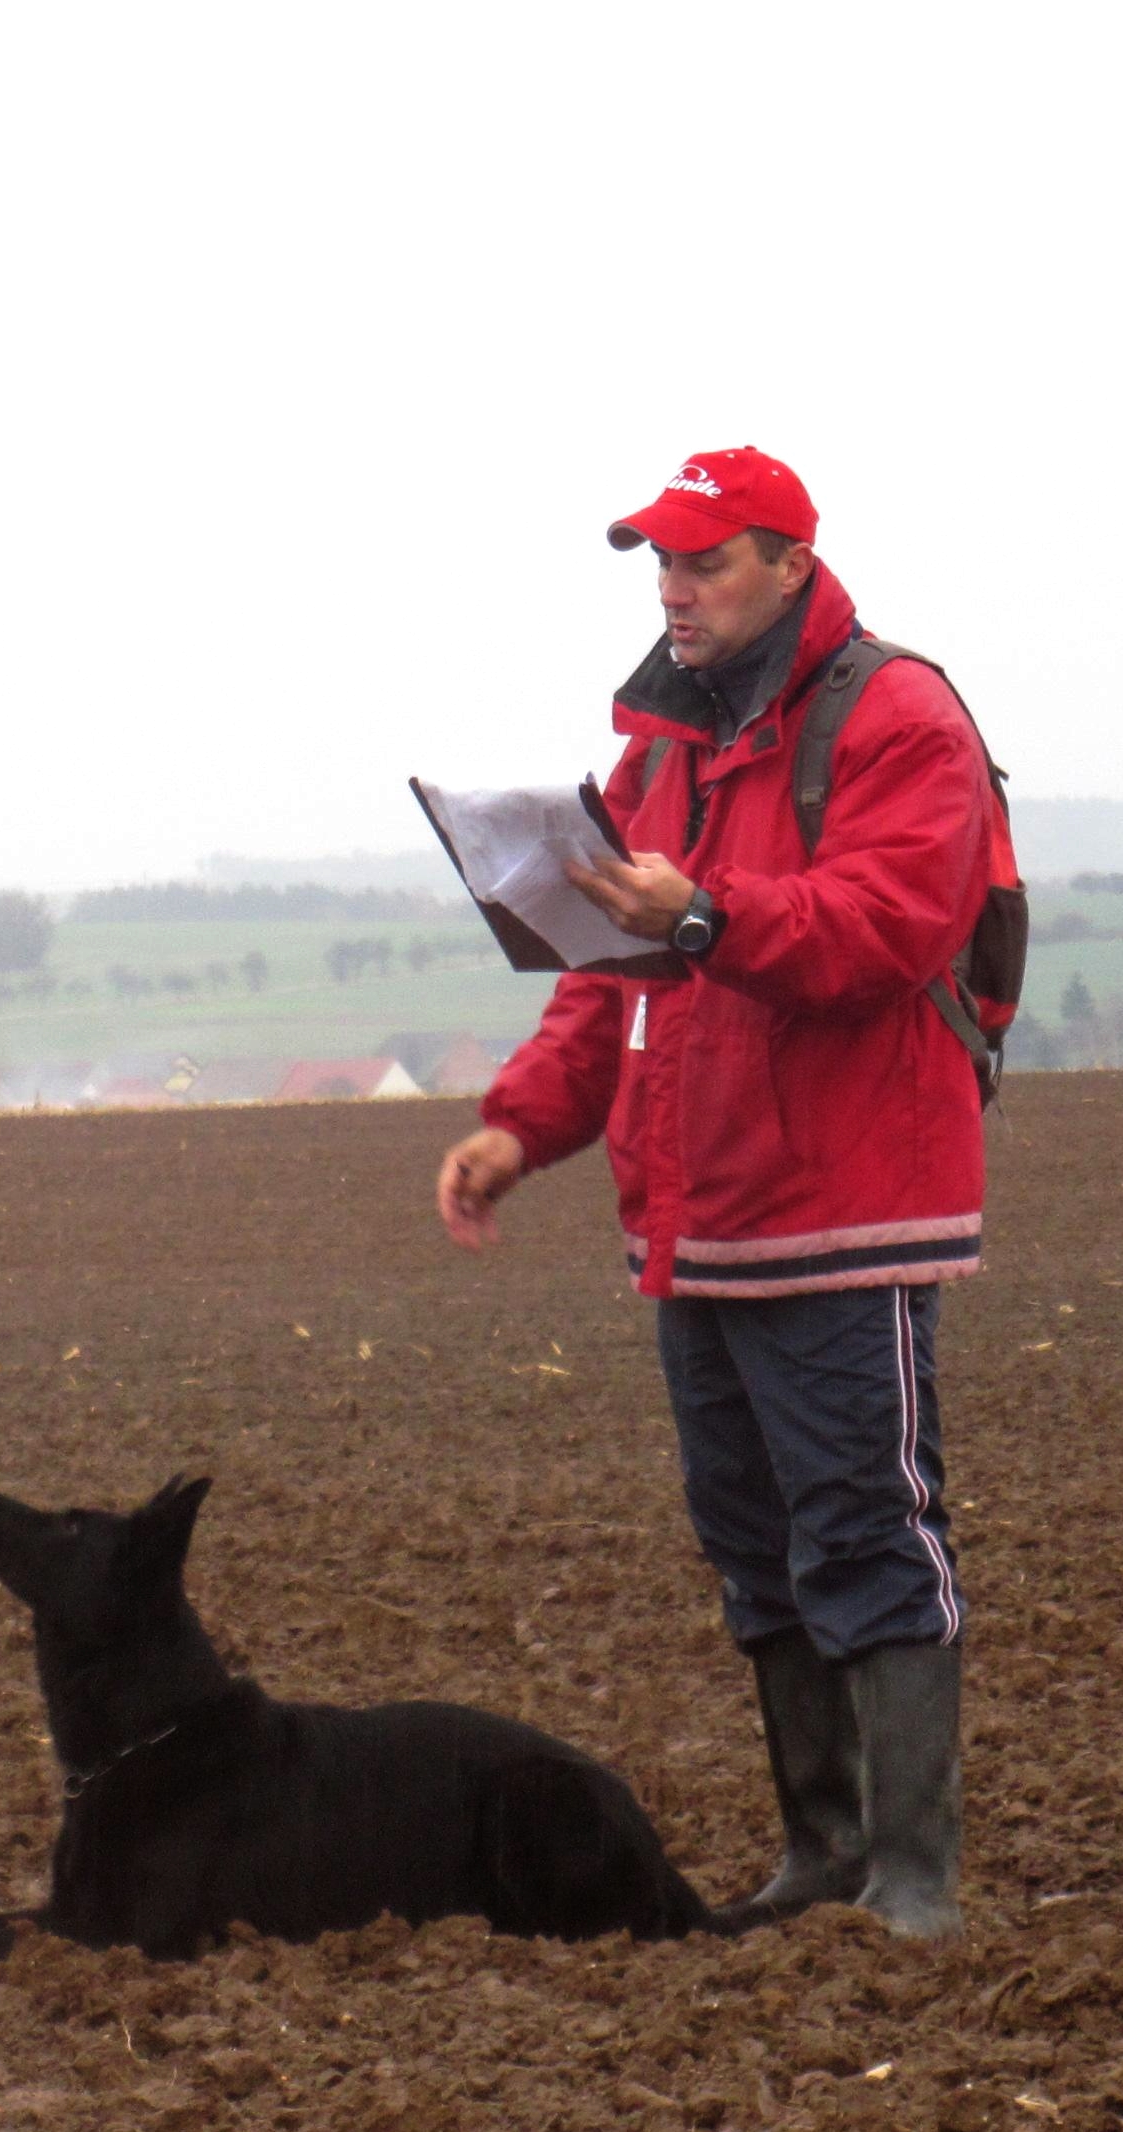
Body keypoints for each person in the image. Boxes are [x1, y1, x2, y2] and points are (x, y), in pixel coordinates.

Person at [434, 449, 992, 1940]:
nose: (673, 591)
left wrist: (704, 909)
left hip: (842, 1202)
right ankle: (820, 1852)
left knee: (868, 1533)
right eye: (660, 566)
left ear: (791, 564)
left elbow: (887, 927)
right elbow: (601, 976)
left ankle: (912, 1874)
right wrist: (520, 1129)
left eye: (705, 562)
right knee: (755, 1550)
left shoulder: (898, 718)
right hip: (695, 1219)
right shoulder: (658, 752)